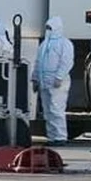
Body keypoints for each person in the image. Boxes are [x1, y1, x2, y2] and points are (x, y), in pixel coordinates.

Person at [31, 16, 74, 146]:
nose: (48, 30)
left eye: (50, 27)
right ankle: (51, 137)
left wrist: (59, 77)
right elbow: (38, 63)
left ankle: (60, 136)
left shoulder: (65, 43)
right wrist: (35, 79)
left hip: (57, 82)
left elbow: (67, 62)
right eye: (47, 27)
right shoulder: (44, 44)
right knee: (47, 111)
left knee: (56, 109)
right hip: (45, 81)